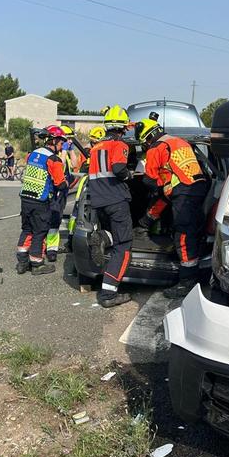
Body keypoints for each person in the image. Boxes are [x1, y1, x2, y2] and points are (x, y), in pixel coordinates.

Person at [134, 117, 209, 299]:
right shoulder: (179, 141)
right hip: (198, 187)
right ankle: (143, 226)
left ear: (147, 137)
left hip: (183, 191)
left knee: (183, 235)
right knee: (191, 229)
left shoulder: (156, 148)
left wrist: (151, 186)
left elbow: (149, 179)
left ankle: (187, 281)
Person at [87, 105, 133, 308]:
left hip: (99, 201)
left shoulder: (96, 147)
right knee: (124, 245)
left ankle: (103, 237)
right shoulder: (120, 144)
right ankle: (108, 294)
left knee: (114, 235)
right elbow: (118, 168)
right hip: (116, 200)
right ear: (122, 127)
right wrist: (129, 175)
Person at [17, 127, 68, 275]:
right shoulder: (54, 159)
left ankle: (22, 262)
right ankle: (37, 263)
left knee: (27, 230)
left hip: (26, 198)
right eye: (61, 143)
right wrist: (67, 183)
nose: (61, 146)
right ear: (54, 141)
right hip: (41, 200)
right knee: (40, 232)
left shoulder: (32, 154)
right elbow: (60, 183)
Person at [46, 125, 75, 262]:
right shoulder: (55, 154)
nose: (67, 142)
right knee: (52, 219)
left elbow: (74, 164)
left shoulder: (65, 152)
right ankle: (49, 248)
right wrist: (63, 151)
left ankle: (52, 247)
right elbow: (60, 166)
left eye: (69, 139)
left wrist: (71, 151)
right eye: (65, 140)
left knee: (56, 220)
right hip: (54, 192)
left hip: (63, 192)